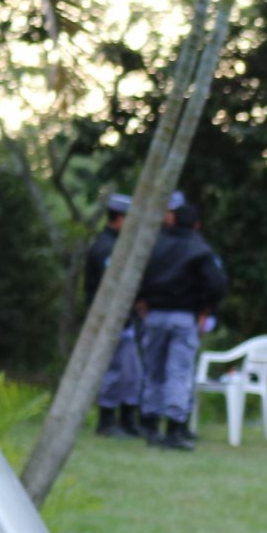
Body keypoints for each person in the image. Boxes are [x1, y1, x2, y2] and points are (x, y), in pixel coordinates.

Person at [135, 192, 229, 451]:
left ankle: (150, 425)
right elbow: (217, 283)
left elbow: (136, 272)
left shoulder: (155, 244)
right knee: (178, 372)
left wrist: (141, 300)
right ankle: (175, 428)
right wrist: (206, 309)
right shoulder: (199, 248)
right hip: (183, 317)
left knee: (153, 370)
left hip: (153, 316)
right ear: (195, 224)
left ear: (173, 219)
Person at [85, 194, 144, 438]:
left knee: (131, 373)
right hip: (110, 321)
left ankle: (128, 421)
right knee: (114, 372)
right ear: (119, 218)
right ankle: (107, 422)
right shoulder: (107, 247)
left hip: (123, 321)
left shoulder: (117, 245)